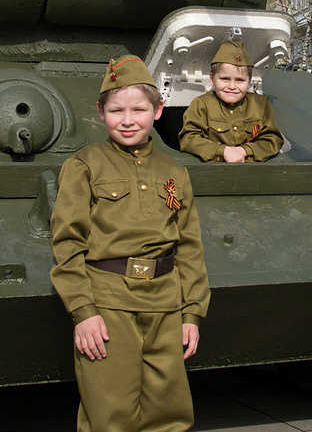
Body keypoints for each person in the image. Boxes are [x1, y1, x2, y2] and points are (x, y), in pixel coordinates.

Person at [50, 55, 211, 432]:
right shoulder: (85, 166)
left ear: (157, 111)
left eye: (139, 109)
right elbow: (68, 242)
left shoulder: (174, 172)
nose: (127, 120)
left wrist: (192, 313)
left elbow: (189, 246)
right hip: (108, 305)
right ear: (100, 112)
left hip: (166, 304)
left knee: (169, 413)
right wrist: (83, 311)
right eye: (116, 110)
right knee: (110, 412)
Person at [178, 39, 283, 162]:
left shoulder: (261, 104)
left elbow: (273, 139)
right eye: (225, 79)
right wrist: (223, 151)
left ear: (249, 82)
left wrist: (245, 150)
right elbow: (189, 139)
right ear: (212, 79)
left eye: (240, 80)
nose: (232, 86)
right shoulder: (202, 104)